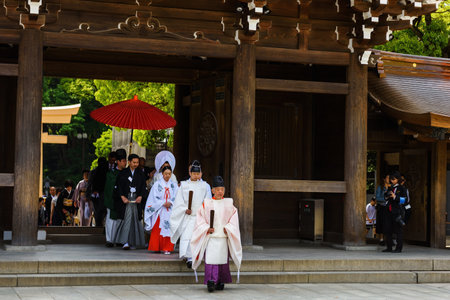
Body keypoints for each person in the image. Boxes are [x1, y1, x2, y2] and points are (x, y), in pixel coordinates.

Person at [190, 176, 242, 293]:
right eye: (217, 189)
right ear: (213, 190)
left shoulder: (229, 203)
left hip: (223, 236)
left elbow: (234, 218)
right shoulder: (206, 203)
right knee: (211, 260)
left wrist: (228, 228)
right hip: (211, 237)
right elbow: (200, 219)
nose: (220, 192)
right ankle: (211, 281)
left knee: (222, 260)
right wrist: (206, 228)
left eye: (222, 189)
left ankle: (220, 280)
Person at [170, 160, 212, 268]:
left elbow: (207, 201)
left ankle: (195, 257)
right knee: (187, 236)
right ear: (190, 173)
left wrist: (202, 210)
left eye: (198, 174)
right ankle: (188, 257)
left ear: (201, 174)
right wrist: (185, 209)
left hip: (199, 216)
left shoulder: (205, 186)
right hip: (188, 216)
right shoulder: (184, 185)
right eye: (194, 173)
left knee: (196, 237)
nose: (196, 175)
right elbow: (178, 201)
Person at [114, 154, 146, 250]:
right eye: (134, 162)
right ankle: (125, 242)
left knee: (135, 220)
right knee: (126, 220)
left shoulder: (140, 173)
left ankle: (134, 242)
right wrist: (122, 196)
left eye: (137, 162)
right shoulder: (123, 173)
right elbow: (118, 186)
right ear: (129, 162)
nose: (136, 164)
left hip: (136, 200)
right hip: (126, 200)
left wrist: (140, 196)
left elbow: (143, 187)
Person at [145, 165, 178, 254]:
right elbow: (153, 197)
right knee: (158, 228)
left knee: (169, 228)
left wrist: (170, 202)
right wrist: (162, 203)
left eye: (169, 174)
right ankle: (157, 247)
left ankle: (167, 248)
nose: (167, 175)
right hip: (160, 210)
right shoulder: (157, 184)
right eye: (166, 173)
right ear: (162, 174)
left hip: (170, 210)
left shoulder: (174, 185)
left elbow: (177, 197)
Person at [103, 148, 127, 247]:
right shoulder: (110, 174)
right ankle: (110, 240)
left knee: (121, 220)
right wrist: (109, 201)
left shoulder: (127, 173)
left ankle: (119, 239)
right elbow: (108, 189)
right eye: (123, 161)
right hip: (113, 200)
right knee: (111, 220)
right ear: (118, 161)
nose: (125, 163)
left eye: (126, 160)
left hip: (123, 201)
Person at [383, 171, 407, 253]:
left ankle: (398, 248)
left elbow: (404, 200)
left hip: (397, 212)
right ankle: (389, 247)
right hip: (388, 211)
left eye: (393, 179)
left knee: (398, 231)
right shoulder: (390, 188)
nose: (392, 181)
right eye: (391, 179)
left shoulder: (402, 188)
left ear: (398, 179)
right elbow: (385, 197)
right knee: (388, 230)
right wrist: (387, 195)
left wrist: (395, 197)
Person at [88, 157, 108, 226]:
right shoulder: (106, 171)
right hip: (99, 193)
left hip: (98, 193)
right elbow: (90, 183)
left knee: (99, 210)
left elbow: (90, 183)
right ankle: (99, 224)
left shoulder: (96, 171)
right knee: (100, 210)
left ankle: (99, 223)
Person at [375, 174, 390, 245]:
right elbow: (377, 198)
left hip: (389, 207)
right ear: (384, 179)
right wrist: (384, 198)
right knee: (381, 223)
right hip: (382, 207)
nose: (389, 179)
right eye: (387, 178)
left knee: (388, 223)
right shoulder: (380, 187)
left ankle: (388, 239)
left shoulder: (391, 187)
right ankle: (381, 239)